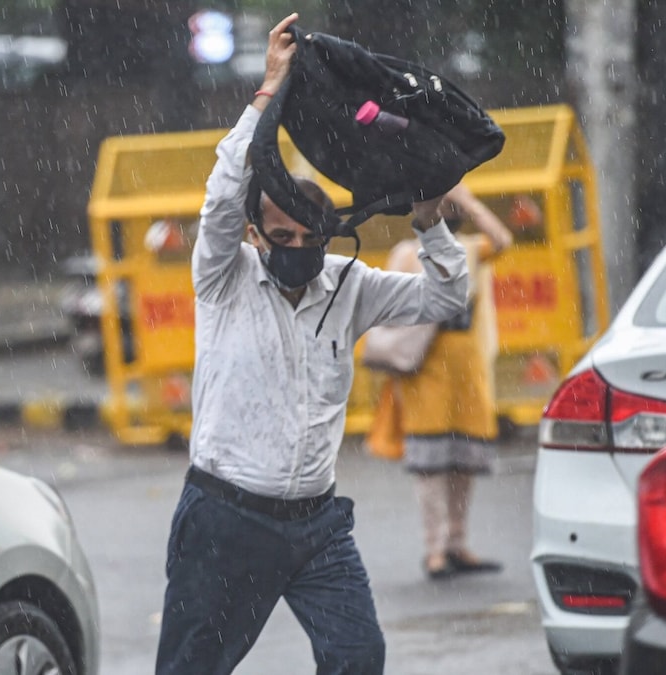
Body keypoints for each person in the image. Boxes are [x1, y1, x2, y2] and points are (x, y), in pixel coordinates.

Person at [156, 13, 470, 675]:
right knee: (191, 665)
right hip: (225, 517)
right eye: (282, 237)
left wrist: (430, 222)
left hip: (317, 525)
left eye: (310, 238)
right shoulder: (223, 276)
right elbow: (220, 197)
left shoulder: (347, 285)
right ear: (255, 234)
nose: (297, 250)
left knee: (358, 655)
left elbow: (445, 299)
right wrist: (269, 90)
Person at [371, 183, 513, 580]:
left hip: (467, 370)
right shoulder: (406, 253)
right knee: (430, 467)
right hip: (424, 371)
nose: (448, 208)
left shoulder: (470, 248)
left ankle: (457, 542)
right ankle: (434, 550)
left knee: (463, 464)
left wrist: (468, 197)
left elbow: (502, 239)